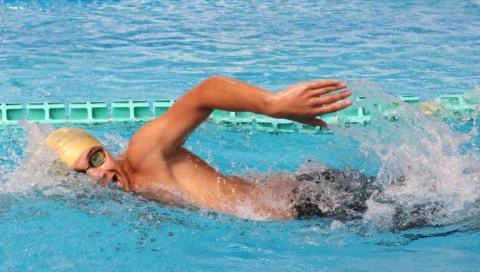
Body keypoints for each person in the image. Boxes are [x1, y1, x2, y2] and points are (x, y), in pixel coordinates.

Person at [46, 76, 362, 221]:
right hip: (304, 207)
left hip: (314, 201)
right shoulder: (124, 196)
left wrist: (272, 104)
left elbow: (205, 94)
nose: (99, 174)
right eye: (82, 173)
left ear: (106, 149)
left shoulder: (144, 154)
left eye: (96, 157)